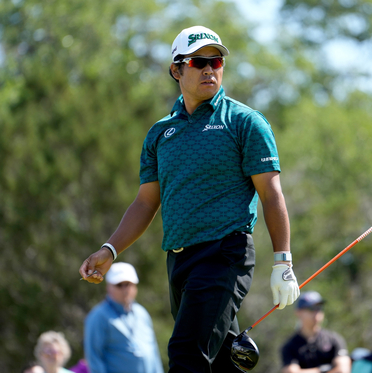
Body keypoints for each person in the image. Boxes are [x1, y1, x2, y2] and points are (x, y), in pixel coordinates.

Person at [79, 25, 300, 372]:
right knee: (225, 360)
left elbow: (271, 196)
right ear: (176, 70)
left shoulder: (245, 122)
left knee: (186, 354)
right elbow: (145, 202)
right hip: (179, 260)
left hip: (225, 254)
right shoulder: (160, 134)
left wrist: (283, 261)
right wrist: (110, 250)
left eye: (216, 61)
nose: (210, 68)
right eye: (198, 62)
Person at [84, 262, 163, 373]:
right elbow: (94, 358)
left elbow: (154, 353)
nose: (125, 289)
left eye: (128, 284)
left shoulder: (142, 313)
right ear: (109, 287)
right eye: (119, 285)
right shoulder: (98, 317)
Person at [280, 291, 352, 373]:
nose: (316, 312)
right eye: (311, 308)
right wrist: (322, 369)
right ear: (298, 312)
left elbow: (343, 370)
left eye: (319, 308)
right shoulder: (290, 346)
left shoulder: (333, 339)